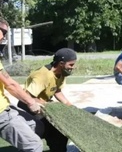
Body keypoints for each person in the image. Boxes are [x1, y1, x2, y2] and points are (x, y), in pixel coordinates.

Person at [18, 48, 77, 152]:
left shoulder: (61, 73)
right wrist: (49, 105)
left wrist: (69, 105)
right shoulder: (43, 75)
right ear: (61, 63)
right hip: (28, 107)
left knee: (61, 130)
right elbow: (27, 96)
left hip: (43, 106)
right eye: (71, 65)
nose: (73, 67)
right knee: (51, 130)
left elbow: (56, 90)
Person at [0, 18, 44, 152]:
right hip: (0, 114)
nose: (3, 39)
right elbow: (10, 85)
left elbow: (9, 81)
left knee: (36, 126)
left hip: (5, 107)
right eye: (2, 33)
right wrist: (31, 103)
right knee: (35, 146)